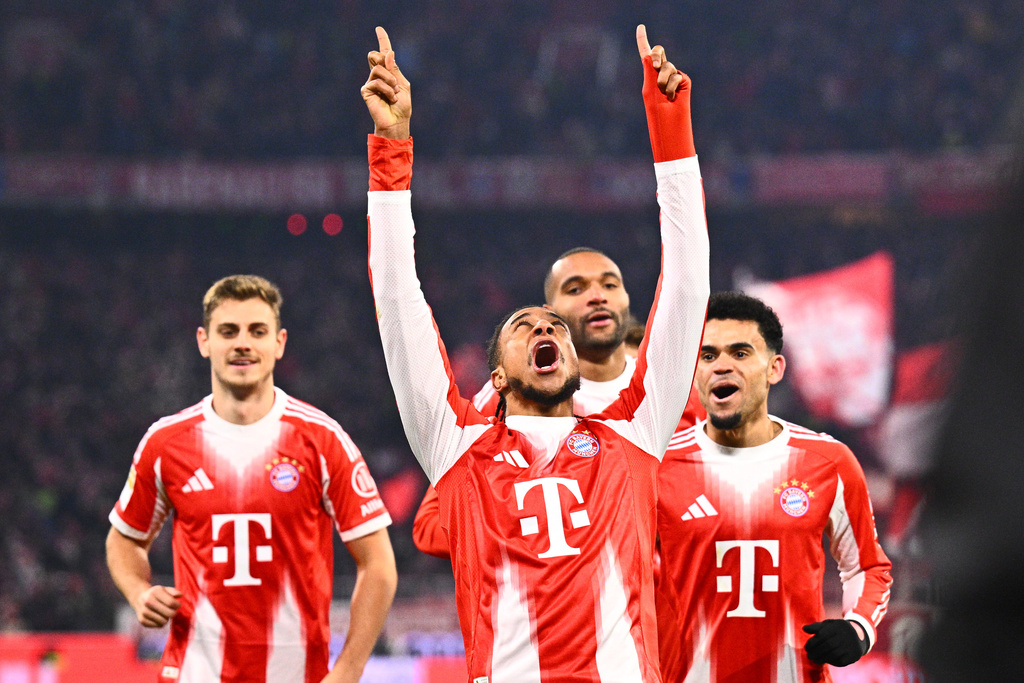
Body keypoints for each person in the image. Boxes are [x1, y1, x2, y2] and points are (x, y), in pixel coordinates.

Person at [363, 23, 709, 682]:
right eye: (526, 324)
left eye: (556, 326)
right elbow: (397, 293)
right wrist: (391, 146)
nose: (547, 329)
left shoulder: (635, 431)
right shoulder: (456, 445)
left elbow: (689, 280)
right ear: (496, 371)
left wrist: (672, 134)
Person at [105, 275, 397, 683]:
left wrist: (348, 670)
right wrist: (139, 592)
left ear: (278, 343)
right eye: (229, 331)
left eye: (257, 331)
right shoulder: (165, 443)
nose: (243, 343)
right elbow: (124, 538)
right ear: (204, 341)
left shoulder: (323, 439)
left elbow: (378, 565)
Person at [655, 291, 892, 682]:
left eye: (740, 353)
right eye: (708, 355)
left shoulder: (828, 461)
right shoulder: (658, 466)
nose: (722, 366)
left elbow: (866, 565)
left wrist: (858, 629)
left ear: (774, 369)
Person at [413, 247, 706, 559]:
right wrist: (545, 531)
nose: (597, 297)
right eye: (575, 289)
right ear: (549, 311)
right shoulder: (509, 397)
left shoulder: (676, 394)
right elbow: (430, 525)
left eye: (610, 285)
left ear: (626, 298)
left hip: (672, 604)